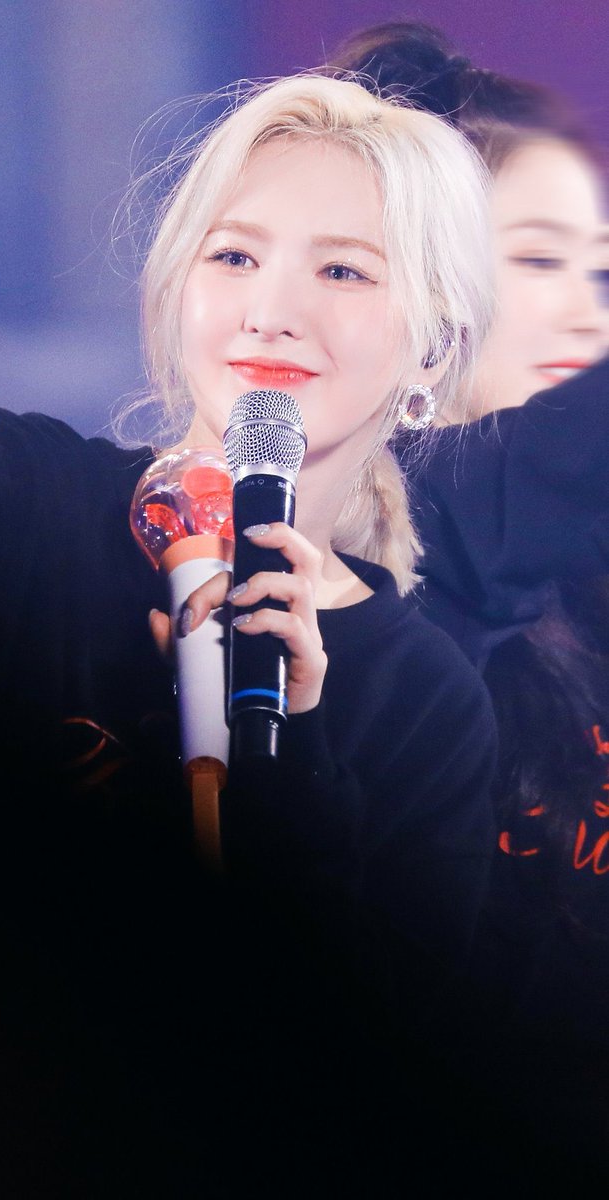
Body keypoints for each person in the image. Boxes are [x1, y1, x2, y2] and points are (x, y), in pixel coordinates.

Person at [0, 75, 500, 1189]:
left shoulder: (426, 702)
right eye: (234, 256)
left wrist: (288, 756)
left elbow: (382, 1069)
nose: (270, 310)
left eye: (342, 271)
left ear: (434, 347)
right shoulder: (30, 491)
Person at [331, 21, 609, 1178]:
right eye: (538, 261)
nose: (590, 312)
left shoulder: (577, 562)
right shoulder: (369, 539)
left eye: (602, 270)